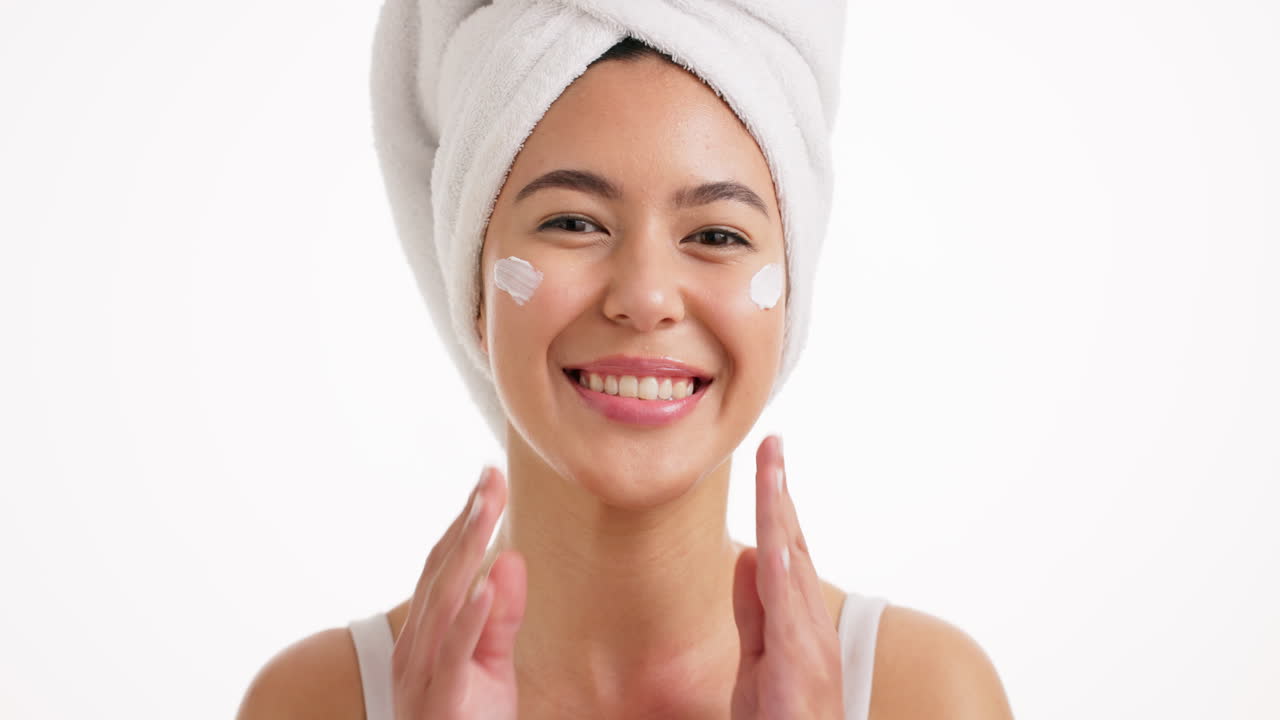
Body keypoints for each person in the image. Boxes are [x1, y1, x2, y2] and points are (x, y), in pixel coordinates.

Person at [237, 23, 1013, 720]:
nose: (644, 298)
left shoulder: (924, 696)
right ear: (472, 284)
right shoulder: (315, 704)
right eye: (573, 222)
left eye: (715, 232)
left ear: (789, 300)